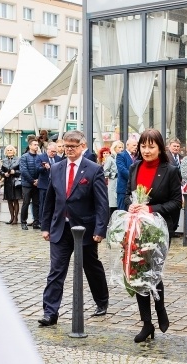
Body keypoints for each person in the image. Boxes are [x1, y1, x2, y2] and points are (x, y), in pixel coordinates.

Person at [38, 130, 109, 326]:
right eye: (66, 146)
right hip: (60, 228)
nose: (69, 150)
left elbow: (102, 203)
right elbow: (49, 201)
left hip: (84, 229)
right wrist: (45, 227)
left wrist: (100, 230)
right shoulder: (57, 168)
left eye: (73, 146)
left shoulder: (94, 169)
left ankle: (102, 300)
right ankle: (50, 312)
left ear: (82, 147)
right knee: (56, 271)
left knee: (90, 266)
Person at [123, 129, 182, 342]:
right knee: (138, 272)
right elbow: (127, 196)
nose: (146, 151)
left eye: (151, 146)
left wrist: (150, 209)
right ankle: (146, 323)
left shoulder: (170, 170)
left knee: (154, 271)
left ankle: (160, 308)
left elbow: (176, 201)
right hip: (136, 228)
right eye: (143, 146)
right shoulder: (134, 167)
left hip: (158, 228)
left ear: (159, 148)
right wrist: (131, 206)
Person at [36, 142, 61, 226]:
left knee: (54, 203)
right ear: (48, 150)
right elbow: (37, 169)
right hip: (44, 184)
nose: (53, 153)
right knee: (43, 203)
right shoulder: (41, 157)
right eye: (52, 151)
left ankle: (52, 220)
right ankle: (41, 221)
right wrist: (44, 167)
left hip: (55, 185)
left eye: (55, 152)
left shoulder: (58, 158)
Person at [19, 139, 41, 230]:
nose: (36, 146)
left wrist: (38, 180)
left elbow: (41, 169)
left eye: (37, 144)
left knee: (36, 203)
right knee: (26, 203)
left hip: (37, 184)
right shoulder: (24, 157)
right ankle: (23, 222)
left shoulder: (40, 157)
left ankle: (36, 222)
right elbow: (24, 171)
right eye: (35, 144)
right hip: (27, 184)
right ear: (30, 146)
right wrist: (32, 181)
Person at [0, 145, 21, 224]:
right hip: (7, 182)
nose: (9, 151)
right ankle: (11, 217)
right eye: (8, 150)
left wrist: (14, 172)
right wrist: (4, 174)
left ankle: (16, 218)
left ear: (14, 151)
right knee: (9, 201)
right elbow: (1, 171)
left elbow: (21, 171)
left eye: (11, 150)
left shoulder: (18, 159)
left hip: (15, 182)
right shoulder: (4, 160)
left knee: (15, 200)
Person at [116, 138, 137, 211]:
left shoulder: (137, 157)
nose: (136, 147)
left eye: (137, 145)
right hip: (123, 189)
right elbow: (122, 170)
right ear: (127, 145)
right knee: (122, 212)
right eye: (134, 145)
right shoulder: (121, 155)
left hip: (134, 191)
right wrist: (135, 178)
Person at [102, 143, 120, 215]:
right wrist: (115, 174)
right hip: (113, 182)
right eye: (119, 147)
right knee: (113, 205)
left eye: (122, 147)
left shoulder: (121, 157)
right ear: (114, 148)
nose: (121, 149)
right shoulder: (110, 158)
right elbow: (104, 172)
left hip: (119, 183)